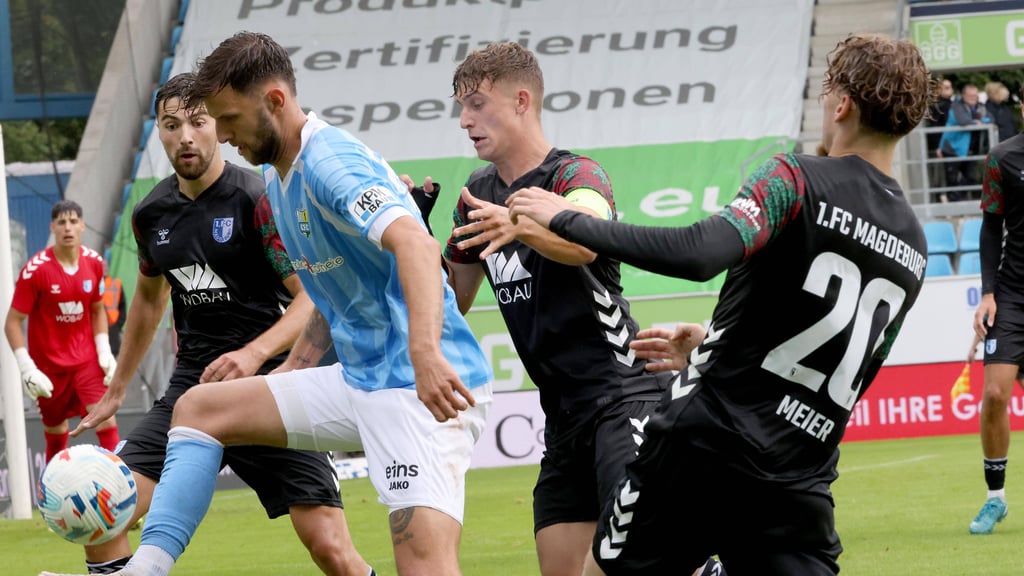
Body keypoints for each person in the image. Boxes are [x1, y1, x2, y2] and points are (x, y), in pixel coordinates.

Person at [41, 32, 493, 576]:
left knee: (421, 567)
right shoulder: (282, 182)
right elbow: (330, 298)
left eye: (227, 119)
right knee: (200, 409)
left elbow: (417, 245)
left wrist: (424, 355)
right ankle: (146, 569)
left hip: (417, 389)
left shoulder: (328, 161)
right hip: (359, 380)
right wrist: (287, 378)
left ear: (274, 101)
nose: (223, 135)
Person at [508, 33, 933, 575]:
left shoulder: (794, 178)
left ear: (842, 103)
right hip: (797, 478)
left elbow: (701, 253)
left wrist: (567, 218)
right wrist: (716, 344)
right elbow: (836, 357)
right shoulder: (914, 242)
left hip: (701, 452)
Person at [39, 73, 373, 576]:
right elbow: (149, 305)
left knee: (331, 550)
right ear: (159, 131)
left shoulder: (258, 198)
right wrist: (117, 389)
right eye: (172, 125)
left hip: (270, 388)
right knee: (106, 512)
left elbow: (310, 302)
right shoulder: (151, 213)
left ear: (218, 126)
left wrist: (254, 354)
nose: (186, 136)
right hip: (190, 387)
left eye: (198, 122)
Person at [440, 41, 721, 576]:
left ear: (522, 101)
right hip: (562, 418)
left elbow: (587, 239)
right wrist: (408, 240)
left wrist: (522, 225)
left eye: (476, 104)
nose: (464, 120)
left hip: (622, 398)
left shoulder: (576, 175)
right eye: (460, 106)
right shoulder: (476, 194)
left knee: (637, 563)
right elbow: (453, 300)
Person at [4, 200, 120, 463]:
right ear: (52, 227)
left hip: (86, 362)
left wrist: (104, 351)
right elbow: (12, 322)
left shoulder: (95, 263)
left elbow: (97, 309)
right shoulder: (35, 270)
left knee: (105, 419)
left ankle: (119, 491)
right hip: (49, 367)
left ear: (82, 225)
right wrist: (27, 369)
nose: (67, 227)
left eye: (72, 221)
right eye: (61, 222)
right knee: (56, 432)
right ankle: (51, 498)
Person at [969, 83, 1024, 535]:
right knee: (993, 395)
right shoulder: (1002, 158)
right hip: (1012, 294)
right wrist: (988, 292)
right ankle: (995, 499)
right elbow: (990, 229)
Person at [939, 83, 990, 202]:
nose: (973, 98)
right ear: (963, 95)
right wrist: (977, 122)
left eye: (975, 95)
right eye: (970, 96)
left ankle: (953, 200)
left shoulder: (979, 106)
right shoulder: (956, 106)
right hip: (952, 148)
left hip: (969, 150)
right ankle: (952, 205)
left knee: (971, 178)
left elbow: (990, 118)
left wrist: (980, 121)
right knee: (952, 179)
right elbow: (962, 121)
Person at [925, 78, 953, 192]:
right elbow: (935, 127)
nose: (950, 90)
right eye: (946, 87)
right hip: (940, 147)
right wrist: (938, 146)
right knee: (940, 175)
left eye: (950, 87)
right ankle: (942, 196)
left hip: (950, 145)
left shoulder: (952, 104)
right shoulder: (937, 106)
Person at [101, 262, 125, 357]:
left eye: (106, 266)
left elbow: (122, 307)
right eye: (102, 266)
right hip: (96, 331)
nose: (104, 269)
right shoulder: (91, 283)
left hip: (112, 331)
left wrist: (117, 325)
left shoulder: (116, 284)